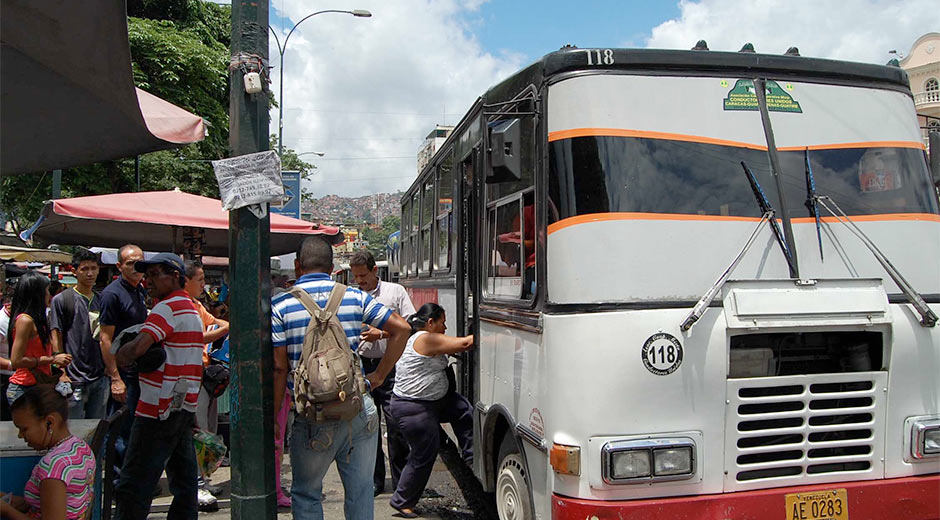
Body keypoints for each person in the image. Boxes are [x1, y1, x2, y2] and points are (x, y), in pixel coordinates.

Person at [271, 237, 411, 520]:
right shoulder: (355, 297)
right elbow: (402, 328)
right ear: (332, 267)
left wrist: (275, 417)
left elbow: (279, 369)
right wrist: (379, 375)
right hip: (357, 408)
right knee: (360, 492)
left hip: (311, 415)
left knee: (307, 493)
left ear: (298, 267)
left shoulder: (281, 305)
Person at [113, 253, 204, 520]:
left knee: (135, 481)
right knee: (184, 479)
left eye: (155, 275)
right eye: (147, 275)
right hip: (183, 404)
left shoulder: (167, 308)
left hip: (157, 407)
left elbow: (138, 347)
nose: (147, 281)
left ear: (175, 276)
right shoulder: (190, 307)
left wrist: (120, 353)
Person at [387, 303, 474, 518]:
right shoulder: (424, 338)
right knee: (424, 454)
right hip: (414, 409)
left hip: (431, 402)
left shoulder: (423, 337)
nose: (445, 328)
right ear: (430, 323)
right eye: (442, 323)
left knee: (462, 409)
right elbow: (464, 344)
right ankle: (402, 501)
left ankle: (472, 455)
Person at [349, 250, 416, 496]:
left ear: (375, 270)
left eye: (363, 275)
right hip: (362, 367)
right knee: (368, 427)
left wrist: (383, 333)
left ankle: (401, 483)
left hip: (391, 367)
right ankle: (375, 481)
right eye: (356, 277)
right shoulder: (352, 296)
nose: (360, 281)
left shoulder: (394, 292)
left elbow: (411, 325)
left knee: (396, 427)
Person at [1, 385, 96, 520]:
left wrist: (7, 511)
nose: (20, 436)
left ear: (49, 422)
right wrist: (10, 500)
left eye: (24, 429)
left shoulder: (53, 468)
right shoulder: (81, 448)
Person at [183, 260, 229, 508]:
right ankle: (197, 485)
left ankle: (204, 478)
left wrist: (221, 327)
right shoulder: (182, 306)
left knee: (208, 429)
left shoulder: (197, 305)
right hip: (188, 376)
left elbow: (215, 323)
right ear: (186, 281)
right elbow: (196, 336)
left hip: (203, 374)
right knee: (198, 431)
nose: (204, 284)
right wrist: (222, 330)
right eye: (199, 280)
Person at [97, 244, 147, 472]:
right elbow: (105, 339)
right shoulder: (112, 294)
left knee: (133, 427)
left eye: (139, 262)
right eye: (130, 263)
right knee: (120, 429)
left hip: (138, 370)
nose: (136, 267)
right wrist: (115, 377)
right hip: (123, 372)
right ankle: (117, 482)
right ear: (119, 266)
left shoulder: (140, 290)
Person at [50, 250, 108, 419]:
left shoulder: (101, 299)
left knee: (97, 427)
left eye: (93, 268)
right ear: (74, 271)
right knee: (74, 428)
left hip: (99, 376)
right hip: (73, 378)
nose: (90, 273)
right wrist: (62, 372)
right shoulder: (62, 300)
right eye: (84, 269)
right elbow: (56, 334)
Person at [6, 270, 72, 405]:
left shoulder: (38, 320)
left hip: (38, 386)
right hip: (24, 388)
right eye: (47, 291)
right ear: (37, 294)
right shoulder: (25, 320)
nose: (50, 295)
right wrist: (53, 359)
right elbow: (16, 360)